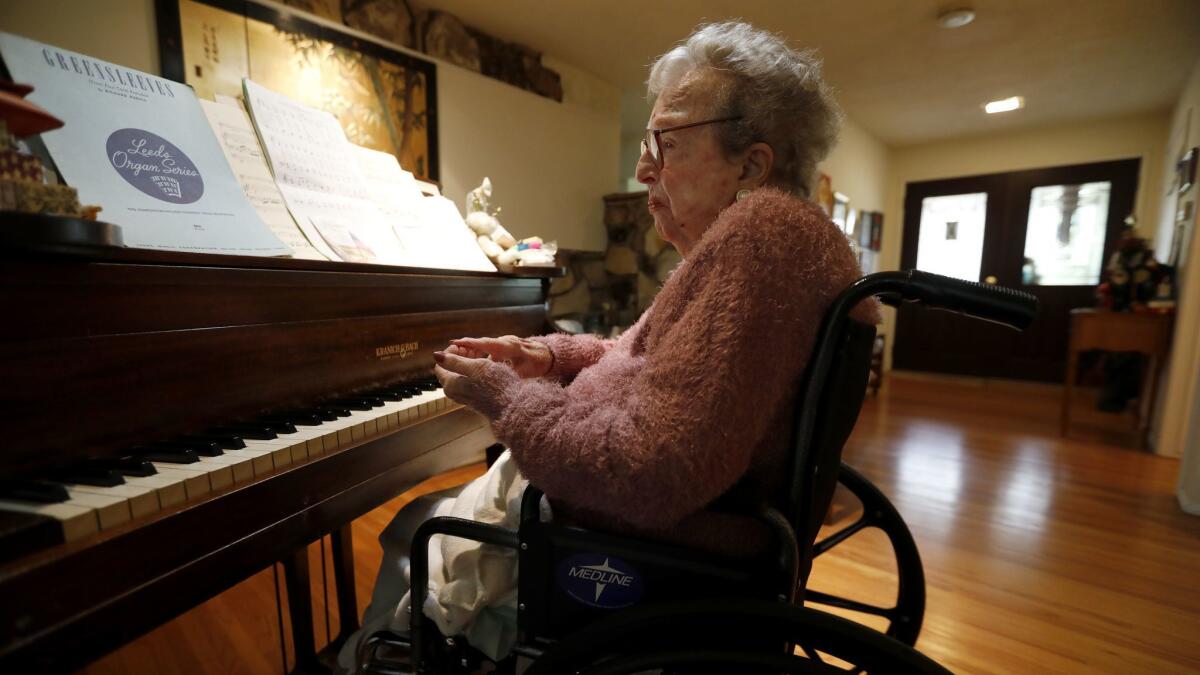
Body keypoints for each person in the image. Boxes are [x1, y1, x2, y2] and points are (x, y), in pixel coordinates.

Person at [340, 20, 878, 670]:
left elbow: (648, 471)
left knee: (419, 529)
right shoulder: (762, 241)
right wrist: (547, 358)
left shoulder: (760, 239)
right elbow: (637, 355)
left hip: (633, 545)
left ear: (751, 163)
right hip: (633, 515)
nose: (642, 166)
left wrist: (508, 397)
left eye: (666, 141)